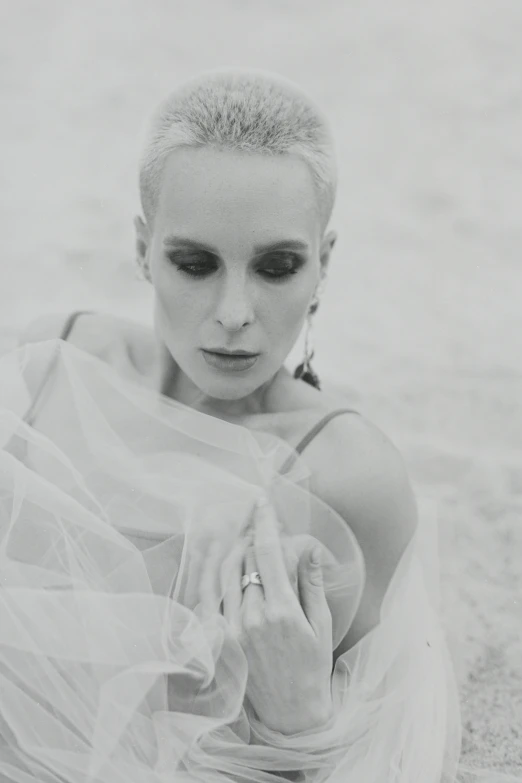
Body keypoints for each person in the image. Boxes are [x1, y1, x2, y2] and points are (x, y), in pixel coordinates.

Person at [0, 69, 519, 783]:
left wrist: (298, 713)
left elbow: (380, 757)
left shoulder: (346, 477)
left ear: (323, 265)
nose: (236, 310)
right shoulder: (51, 362)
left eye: (277, 266)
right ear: (141, 250)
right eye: (194, 262)